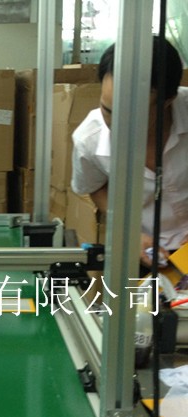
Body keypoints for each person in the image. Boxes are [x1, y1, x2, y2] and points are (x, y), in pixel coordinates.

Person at [71, 36, 188, 268]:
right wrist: (129, 232)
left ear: (168, 101)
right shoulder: (89, 140)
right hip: (151, 251)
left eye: (131, 114)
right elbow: (94, 186)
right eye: (108, 111)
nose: (116, 124)